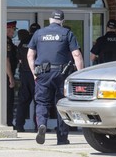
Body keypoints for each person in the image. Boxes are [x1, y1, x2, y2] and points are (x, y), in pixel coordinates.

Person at [27, 10, 84, 145]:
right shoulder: (67, 33)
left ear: (50, 20)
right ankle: (62, 137)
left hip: (43, 74)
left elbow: (30, 55)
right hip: (62, 74)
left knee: (42, 102)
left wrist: (34, 72)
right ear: (62, 21)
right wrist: (79, 75)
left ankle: (42, 124)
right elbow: (77, 55)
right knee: (62, 104)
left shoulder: (38, 33)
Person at [15, 23, 40, 132]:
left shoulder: (23, 41)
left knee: (23, 101)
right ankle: (38, 126)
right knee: (38, 101)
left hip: (24, 74)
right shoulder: (39, 40)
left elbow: (19, 58)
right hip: (36, 74)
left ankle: (19, 125)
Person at [6, 21, 18, 127]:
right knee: (8, 100)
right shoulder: (6, 42)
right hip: (6, 76)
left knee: (9, 100)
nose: (12, 32)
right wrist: (10, 77)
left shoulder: (9, 41)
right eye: (10, 30)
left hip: (8, 74)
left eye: (13, 30)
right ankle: (8, 123)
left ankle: (9, 122)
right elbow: (6, 60)